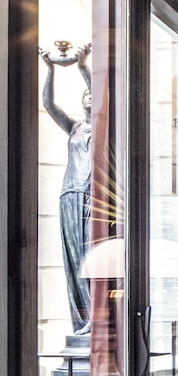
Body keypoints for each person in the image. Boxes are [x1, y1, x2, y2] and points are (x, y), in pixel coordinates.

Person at [39, 42, 93, 335]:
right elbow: (49, 105)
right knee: (72, 260)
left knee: (89, 255)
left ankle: (93, 317)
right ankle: (81, 321)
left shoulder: (104, 127)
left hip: (91, 197)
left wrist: (83, 67)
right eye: (85, 94)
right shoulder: (74, 127)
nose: (89, 96)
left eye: (92, 93)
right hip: (69, 195)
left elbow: (102, 100)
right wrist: (50, 70)